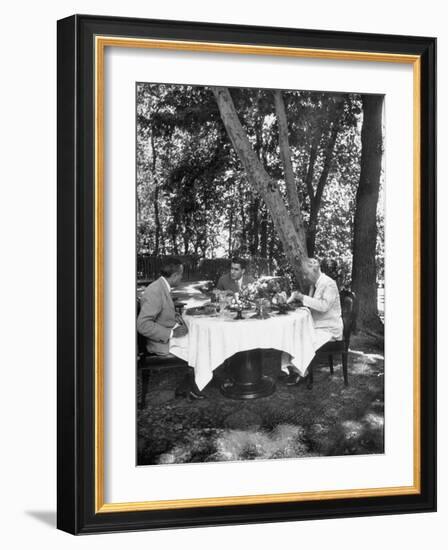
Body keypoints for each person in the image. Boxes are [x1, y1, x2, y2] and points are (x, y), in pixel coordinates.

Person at [137, 259, 205, 400]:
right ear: (174, 275)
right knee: (199, 346)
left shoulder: (161, 285)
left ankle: (191, 383)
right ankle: (195, 385)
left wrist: (175, 316)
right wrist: (172, 333)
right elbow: (142, 325)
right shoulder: (155, 290)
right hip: (157, 343)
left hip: (164, 335)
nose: (181, 278)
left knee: (198, 338)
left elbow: (161, 311)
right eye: (180, 275)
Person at [282, 258, 343, 386]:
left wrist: (303, 298)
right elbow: (312, 305)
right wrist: (298, 301)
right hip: (318, 325)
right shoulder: (315, 284)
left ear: (315, 271)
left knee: (304, 338)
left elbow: (324, 306)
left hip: (329, 329)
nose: (304, 277)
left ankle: (301, 372)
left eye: (306, 273)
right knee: (293, 332)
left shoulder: (329, 283)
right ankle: (291, 368)